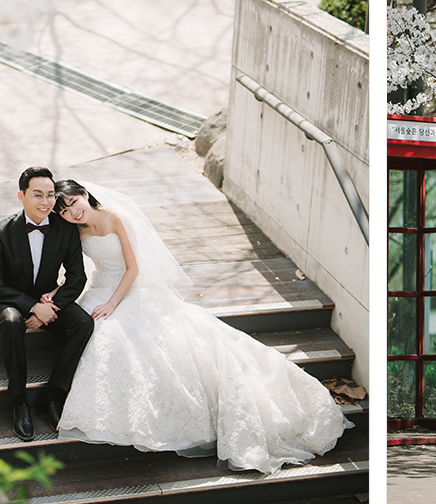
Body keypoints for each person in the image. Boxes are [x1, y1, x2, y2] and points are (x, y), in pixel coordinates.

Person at [48, 179, 351, 474]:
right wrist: (55, 292)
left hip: (130, 290)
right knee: (100, 333)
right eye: (64, 211)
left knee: (131, 334)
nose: (73, 213)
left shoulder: (115, 217)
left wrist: (114, 303)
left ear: (85, 194)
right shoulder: (75, 231)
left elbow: (133, 268)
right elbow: (78, 271)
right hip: (99, 290)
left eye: (74, 203)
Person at [0, 167, 95, 441]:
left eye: (50, 195)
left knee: (83, 323)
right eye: (37, 195)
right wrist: (33, 307)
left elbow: (76, 277)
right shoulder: (0, 231)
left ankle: (52, 395)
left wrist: (50, 308)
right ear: (21, 196)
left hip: (48, 300)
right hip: (7, 300)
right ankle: (19, 400)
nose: (46, 202)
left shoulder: (65, 230)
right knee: (11, 321)